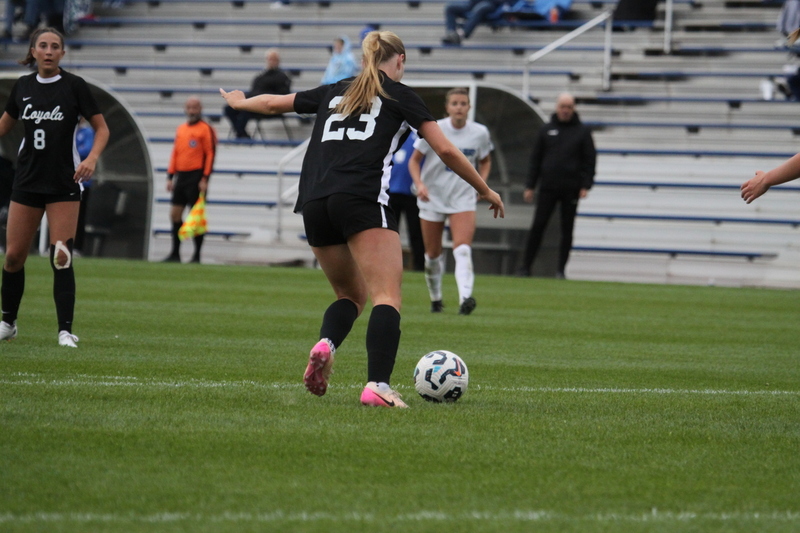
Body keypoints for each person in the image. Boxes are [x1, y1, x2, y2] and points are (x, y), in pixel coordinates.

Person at [220, 30, 505, 408]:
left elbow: (273, 104)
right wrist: (485, 189)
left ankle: (326, 344)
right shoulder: (400, 95)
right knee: (386, 296)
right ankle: (378, 386)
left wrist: (240, 102)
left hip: (314, 201)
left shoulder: (335, 89)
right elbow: (447, 150)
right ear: (400, 59)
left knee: (351, 295)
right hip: (361, 198)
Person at [0, 27, 109, 347]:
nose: (48, 51)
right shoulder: (23, 86)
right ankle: (8, 323)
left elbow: (102, 129)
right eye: (43, 45)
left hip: (63, 182)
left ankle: (65, 331)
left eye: (55, 46)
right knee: (13, 257)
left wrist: (91, 159)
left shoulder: (74, 86)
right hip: (27, 181)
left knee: (61, 256)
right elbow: (4, 125)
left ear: (62, 52)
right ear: (33, 51)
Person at [408, 88, 493, 315]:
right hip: (433, 196)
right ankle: (436, 298)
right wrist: (420, 184)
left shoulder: (480, 133)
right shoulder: (434, 128)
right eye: (454, 103)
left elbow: (485, 161)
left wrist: (481, 185)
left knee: (462, 249)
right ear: (447, 107)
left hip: (462, 197)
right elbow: (414, 161)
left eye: (463, 103)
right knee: (432, 255)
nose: (459, 107)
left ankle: (465, 298)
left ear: (469, 107)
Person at [517, 92, 595, 279]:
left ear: (573, 109)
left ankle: (560, 270)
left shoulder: (582, 132)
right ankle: (525, 267)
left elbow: (590, 160)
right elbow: (536, 160)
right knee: (538, 226)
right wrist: (530, 185)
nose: (565, 110)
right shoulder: (546, 130)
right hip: (548, 187)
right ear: (557, 107)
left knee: (566, 230)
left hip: (571, 188)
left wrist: (586, 185)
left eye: (569, 107)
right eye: (562, 107)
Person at [163, 96, 216, 264]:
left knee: (196, 217)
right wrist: (170, 176)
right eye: (189, 107)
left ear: (200, 109)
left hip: (196, 176)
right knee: (175, 214)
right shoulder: (181, 129)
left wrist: (205, 178)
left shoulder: (206, 129)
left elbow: (210, 154)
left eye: (195, 107)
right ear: (185, 109)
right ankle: (175, 253)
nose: (192, 111)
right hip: (181, 176)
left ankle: (196, 255)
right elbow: (175, 153)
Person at [223, 48, 290, 139]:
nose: (271, 61)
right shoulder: (261, 76)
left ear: (278, 61)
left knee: (246, 109)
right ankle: (241, 133)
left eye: (274, 59)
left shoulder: (282, 77)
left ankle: (240, 133)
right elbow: (253, 91)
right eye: (270, 59)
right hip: (256, 104)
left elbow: (283, 95)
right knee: (229, 109)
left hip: (269, 107)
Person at [388, 131, 425, 272]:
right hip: (390, 190)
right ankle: (388, 265)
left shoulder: (420, 134)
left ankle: (419, 266)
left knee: (416, 232)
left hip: (413, 192)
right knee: (389, 232)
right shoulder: (392, 131)